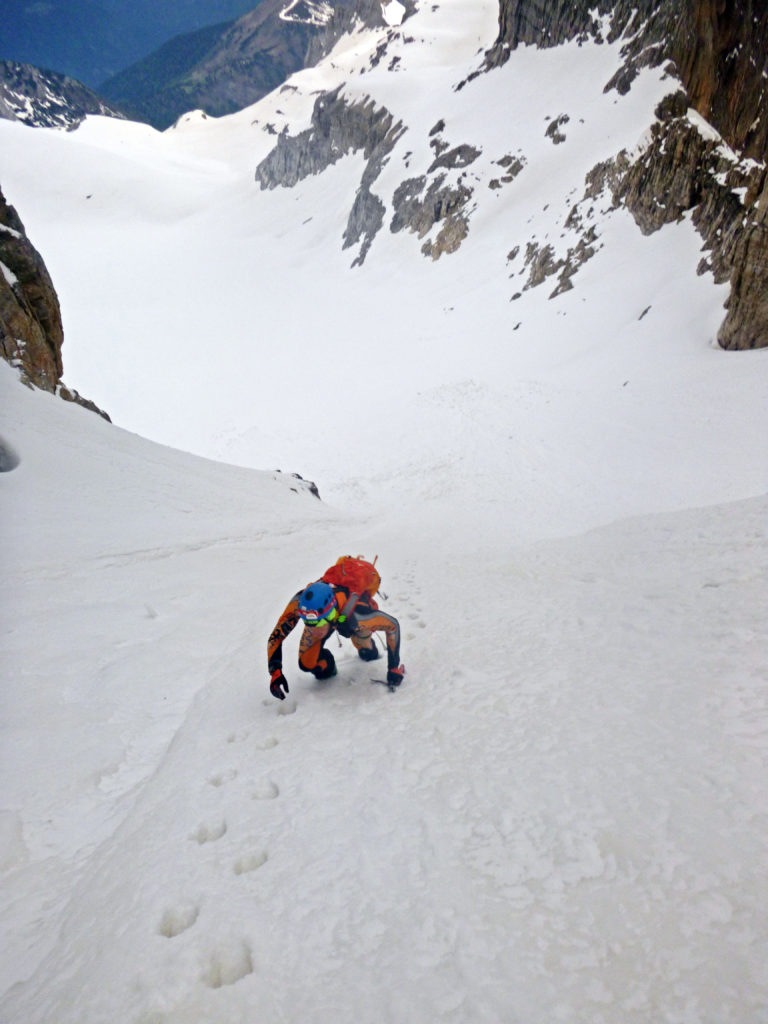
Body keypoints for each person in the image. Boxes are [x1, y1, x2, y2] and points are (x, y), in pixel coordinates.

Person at [267, 577, 404, 699]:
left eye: (318, 623)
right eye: (307, 623)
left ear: (331, 614)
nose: (314, 630)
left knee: (366, 652)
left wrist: (393, 667)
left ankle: (369, 649)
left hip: (350, 619)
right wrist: (275, 671)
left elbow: (393, 625)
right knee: (307, 663)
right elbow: (277, 636)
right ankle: (329, 667)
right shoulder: (301, 604)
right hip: (333, 616)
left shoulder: (357, 614)